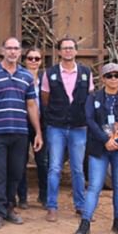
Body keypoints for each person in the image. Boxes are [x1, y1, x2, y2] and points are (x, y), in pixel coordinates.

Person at [0, 37, 43, 230]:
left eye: (16, 48)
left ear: (20, 52)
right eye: (9, 48)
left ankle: (10, 208)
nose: (13, 52)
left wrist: (38, 132)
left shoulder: (26, 76)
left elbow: (31, 105)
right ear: (3, 50)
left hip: (20, 132)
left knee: (16, 172)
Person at [75, 63, 118, 234]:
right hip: (99, 148)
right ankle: (85, 222)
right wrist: (105, 139)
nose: (113, 79)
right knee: (94, 186)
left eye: (117, 75)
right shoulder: (93, 97)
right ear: (103, 79)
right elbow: (90, 120)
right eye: (109, 76)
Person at [41, 37, 94, 222]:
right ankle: (52, 206)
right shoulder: (50, 73)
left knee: (78, 169)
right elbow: (45, 99)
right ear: (59, 52)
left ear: (76, 51)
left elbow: (89, 98)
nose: (68, 51)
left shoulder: (86, 73)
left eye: (71, 48)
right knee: (54, 167)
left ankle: (80, 206)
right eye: (64, 48)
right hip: (56, 127)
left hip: (79, 127)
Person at [16, 46, 48, 208]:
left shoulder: (45, 79)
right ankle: (22, 197)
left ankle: (43, 196)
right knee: (21, 161)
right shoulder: (19, 77)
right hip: (21, 123)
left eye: (37, 58)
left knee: (43, 161)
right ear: (25, 60)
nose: (34, 61)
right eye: (30, 58)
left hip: (42, 124)